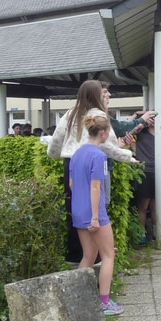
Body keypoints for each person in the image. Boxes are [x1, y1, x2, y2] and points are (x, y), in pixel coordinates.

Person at [48, 79, 137, 262]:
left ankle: (75, 255)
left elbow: (55, 142)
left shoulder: (69, 114)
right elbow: (108, 146)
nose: (107, 95)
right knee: (95, 206)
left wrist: (57, 155)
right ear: (96, 95)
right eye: (103, 92)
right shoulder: (99, 115)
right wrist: (128, 156)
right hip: (91, 162)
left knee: (74, 208)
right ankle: (95, 255)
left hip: (71, 163)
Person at [69, 115, 123, 316]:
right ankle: (104, 302)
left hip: (78, 210)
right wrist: (94, 217)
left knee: (88, 255)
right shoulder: (99, 156)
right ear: (103, 132)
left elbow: (72, 184)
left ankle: (78, 299)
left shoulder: (77, 153)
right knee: (108, 255)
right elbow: (95, 186)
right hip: (95, 213)